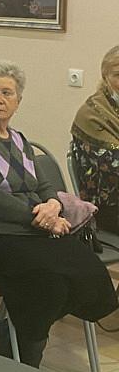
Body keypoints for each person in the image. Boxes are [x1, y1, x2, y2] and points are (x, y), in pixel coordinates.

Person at [0, 60, 117, 367]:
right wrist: (41, 218)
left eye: (6, 93)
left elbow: (43, 185)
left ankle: (15, 327)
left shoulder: (19, 139)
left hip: (31, 228)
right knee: (46, 284)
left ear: (18, 100)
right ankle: (20, 361)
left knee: (88, 271)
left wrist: (53, 205)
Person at [71, 46, 119, 234]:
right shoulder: (92, 114)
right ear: (105, 77)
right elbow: (113, 165)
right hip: (107, 206)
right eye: (118, 75)